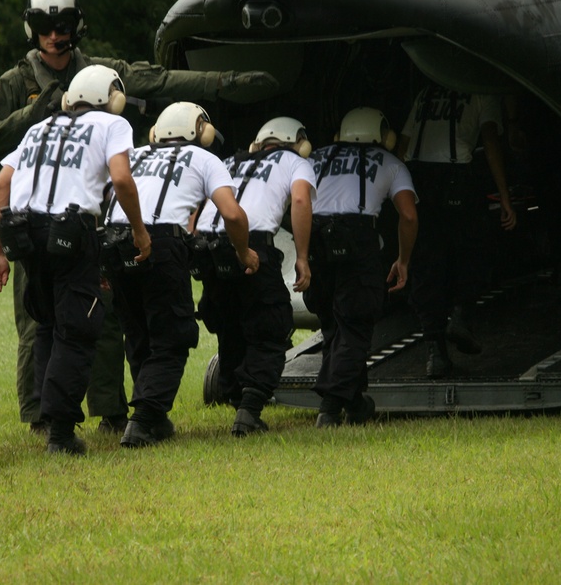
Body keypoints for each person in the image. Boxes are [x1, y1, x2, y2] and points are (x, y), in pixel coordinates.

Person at [0, 0, 280, 435]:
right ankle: (42, 415)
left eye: (62, 27)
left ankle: (111, 411)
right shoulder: (18, 83)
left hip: (90, 223)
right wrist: (42, 112)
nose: (54, 36)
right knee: (40, 323)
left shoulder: (99, 72)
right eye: (44, 28)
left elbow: (158, 79)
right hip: (35, 216)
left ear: (76, 27)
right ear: (30, 30)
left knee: (103, 315)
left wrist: (224, 84)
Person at [0, 64, 151, 456]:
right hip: (72, 233)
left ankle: (47, 416)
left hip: (24, 234)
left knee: (47, 324)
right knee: (77, 328)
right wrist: (140, 232)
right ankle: (60, 433)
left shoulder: (37, 128)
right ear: (113, 98)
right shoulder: (112, 126)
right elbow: (122, 180)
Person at [103, 102, 259, 447]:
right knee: (172, 336)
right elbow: (232, 215)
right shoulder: (205, 160)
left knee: (139, 332)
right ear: (201, 130)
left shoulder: (134, 154)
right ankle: (142, 419)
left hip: (114, 242)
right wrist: (244, 251)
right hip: (161, 241)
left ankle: (155, 417)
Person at [194, 116, 315, 436]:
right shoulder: (295, 162)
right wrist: (302, 256)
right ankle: (250, 408)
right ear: (299, 142)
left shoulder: (229, 160)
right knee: (270, 326)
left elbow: (201, 203)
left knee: (229, 323)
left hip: (208, 244)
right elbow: (301, 200)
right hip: (251, 242)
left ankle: (235, 394)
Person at [304, 108, 418, 426]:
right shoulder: (392, 164)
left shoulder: (315, 159)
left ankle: (355, 403)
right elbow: (408, 215)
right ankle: (331, 406)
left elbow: (294, 201)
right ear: (384, 135)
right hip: (358, 242)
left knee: (332, 327)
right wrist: (403, 260)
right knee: (354, 328)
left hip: (316, 240)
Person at [395, 80, 516, 377]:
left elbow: (403, 145)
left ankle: (435, 351)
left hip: (419, 178)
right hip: (456, 177)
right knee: (475, 250)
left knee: (427, 266)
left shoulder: (425, 93)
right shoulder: (481, 91)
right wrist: (504, 194)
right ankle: (461, 315)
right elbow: (490, 142)